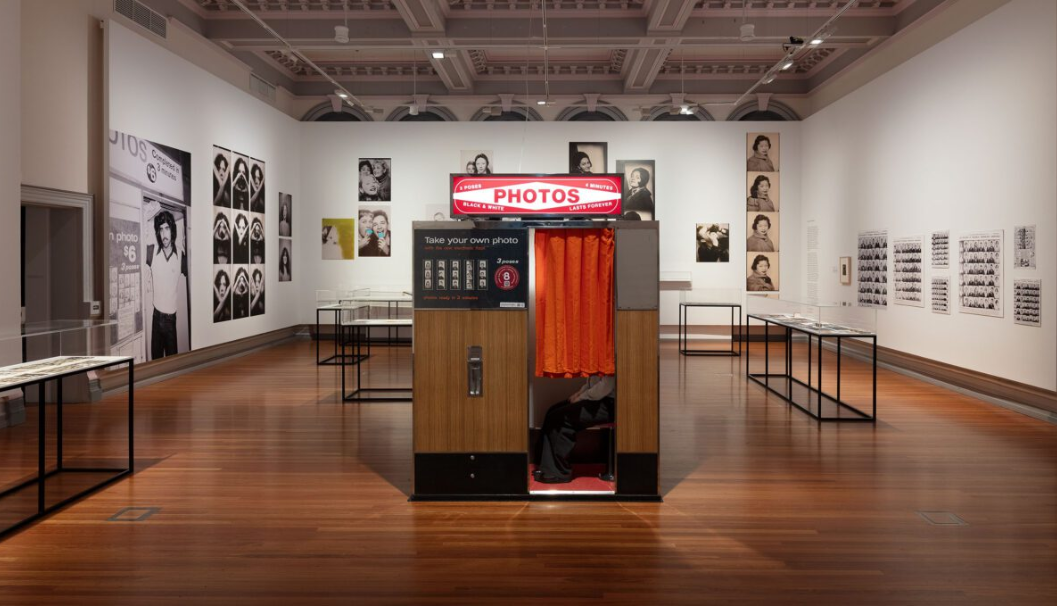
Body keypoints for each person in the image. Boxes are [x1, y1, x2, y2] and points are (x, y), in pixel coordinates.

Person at [535, 374, 616, 484]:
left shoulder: (611, 364)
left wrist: (581, 397)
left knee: (560, 419)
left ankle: (559, 472)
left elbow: (604, 388)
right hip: (598, 399)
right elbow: (591, 383)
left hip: (609, 404)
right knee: (552, 411)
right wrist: (578, 394)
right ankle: (545, 466)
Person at [145, 210, 186, 359]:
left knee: (172, 363)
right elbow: (135, 247)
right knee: (155, 361)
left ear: (172, 230)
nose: (164, 234)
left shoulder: (180, 256)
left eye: (167, 228)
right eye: (161, 229)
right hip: (156, 318)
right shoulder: (152, 252)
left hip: (170, 320)